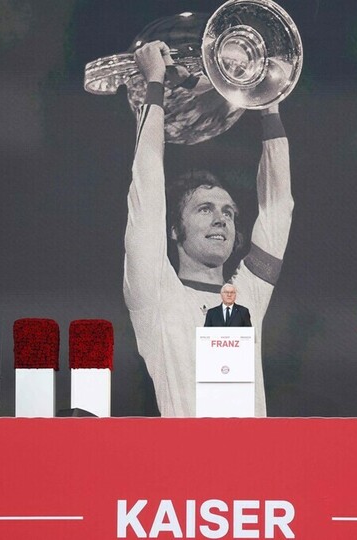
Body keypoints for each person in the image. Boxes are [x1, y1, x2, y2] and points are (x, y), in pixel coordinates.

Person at [123, 40, 293, 417]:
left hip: (255, 455)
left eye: (228, 212)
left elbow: (279, 208)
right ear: (174, 230)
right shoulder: (156, 295)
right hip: (186, 453)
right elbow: (146, 188)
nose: (222, 219)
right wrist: (155, 84)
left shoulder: (247, 296)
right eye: (205, 209)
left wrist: (269, 105)